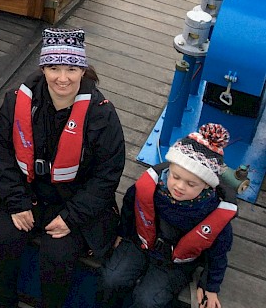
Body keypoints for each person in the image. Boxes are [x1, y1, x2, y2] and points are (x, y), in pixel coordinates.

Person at [0, 28, 125, 308]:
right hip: (26, 191)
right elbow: (3, 152)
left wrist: (71, 217)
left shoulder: (102, 114)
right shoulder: (17, 102)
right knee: (2, 237)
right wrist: (17, 202)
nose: (62, 78)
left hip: (73, 200)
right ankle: (5, 301)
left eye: (71, 68)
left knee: (58, 255)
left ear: (82, 70)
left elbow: (107, 176)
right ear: (42, 68)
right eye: (54, 68)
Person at [100, 124, 236, 308]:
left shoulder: (211, 213)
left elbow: (219, 253)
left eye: (191, 183)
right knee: (112, 279)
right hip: (139, 243)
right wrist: (123, 233)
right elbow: (130, 209)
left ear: (206, 185)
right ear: (169, 168)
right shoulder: (150, 189)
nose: (179, 186)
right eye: (175, 176)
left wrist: (210, 286)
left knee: (148, 300)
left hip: (175, 262)